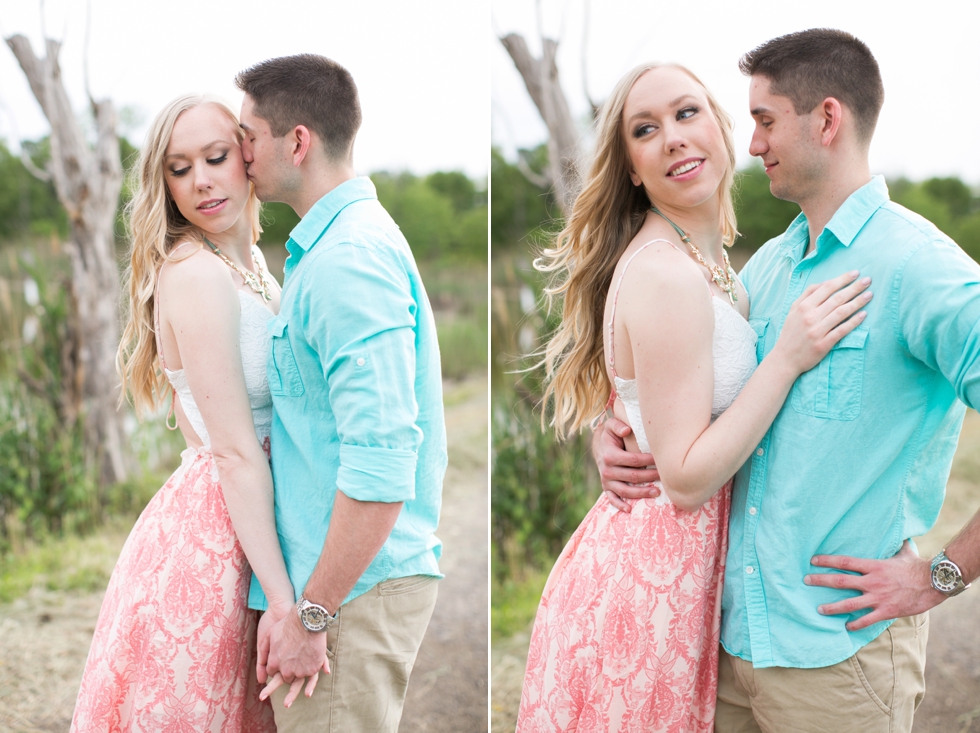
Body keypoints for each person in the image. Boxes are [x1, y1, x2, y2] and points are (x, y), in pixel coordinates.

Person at [594, 29, 980, 732]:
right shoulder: (769, 266)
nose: (753, 143)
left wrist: (942, 573)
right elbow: (700, 387)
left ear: (826, 119)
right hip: (727, 644)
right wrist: (619, 425)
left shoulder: (921, 267)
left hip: (839, 658)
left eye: (765, 120)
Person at [514, 62, 869, 732]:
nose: (673, 137)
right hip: (647, 591)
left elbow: (655, 392)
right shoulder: (668, 275)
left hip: (679, 578)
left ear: (721, 129)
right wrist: (786, 359)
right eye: (645, 129)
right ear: (632, 170)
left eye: (686, 113)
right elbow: (682, 479)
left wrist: (613, 420)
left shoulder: (707, 264)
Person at [70, 94, 323, 731]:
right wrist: (285, 601)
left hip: (257, 516)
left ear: (248, 156)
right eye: (180, 169)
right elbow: (231, 449)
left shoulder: (251, 266)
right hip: (221, 541)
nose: (202, 180)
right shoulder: (194, 276)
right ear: (166, 186)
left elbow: (198, 415)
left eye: (215, 157)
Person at [232, 55, 446, 732]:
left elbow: (383, 465)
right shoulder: (326, 251)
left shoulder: (348, 260)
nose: (240, 154)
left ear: (296, 141)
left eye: (248, 135)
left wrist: (313, 613)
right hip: (336, 583)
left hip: (352, 590)